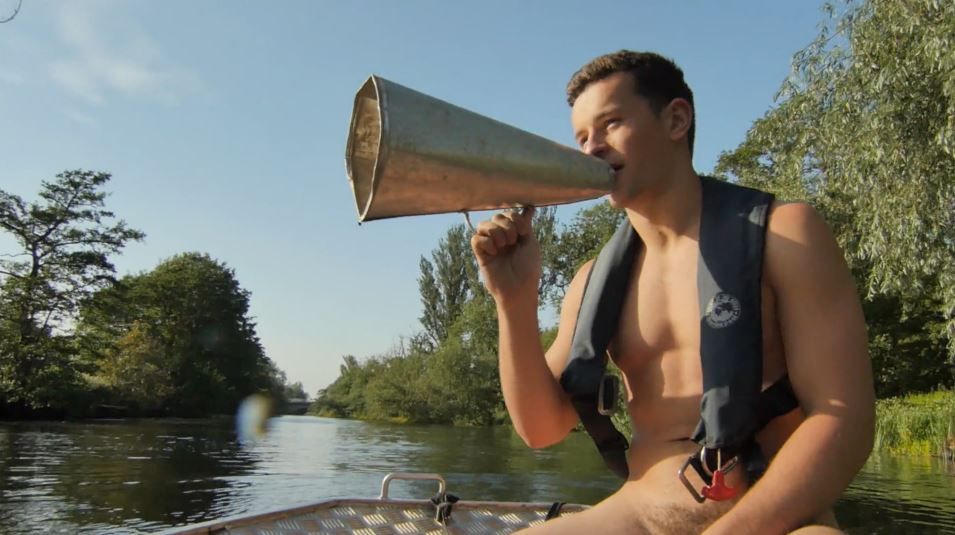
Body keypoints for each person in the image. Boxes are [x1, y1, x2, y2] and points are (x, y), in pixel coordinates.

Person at [469, 50, 874, 534]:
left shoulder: (786, 235)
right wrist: (513, 302)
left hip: (777, 525)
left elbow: (844, 422)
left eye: (611, 124)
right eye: (582, 138)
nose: (592, 148)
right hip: (639, 514)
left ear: (676, 120)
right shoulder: (592, 280)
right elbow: (540, 429)